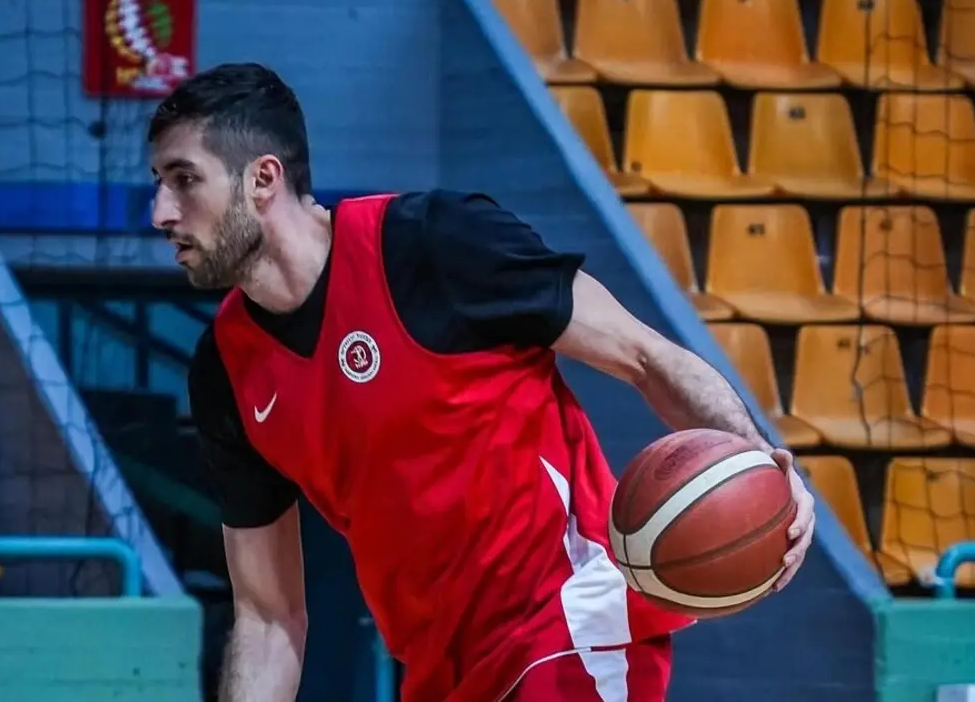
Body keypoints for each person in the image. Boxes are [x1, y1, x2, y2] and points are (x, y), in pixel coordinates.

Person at [149, 62, 815, 702]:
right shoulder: (224, 373)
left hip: (571, 619)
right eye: (159, 182)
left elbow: (644, 355)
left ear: (263, 179)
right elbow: (268, 618)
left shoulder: (433, 243)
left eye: (185, 180)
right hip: (443, 669)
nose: (161, 211)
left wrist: (762, 466)